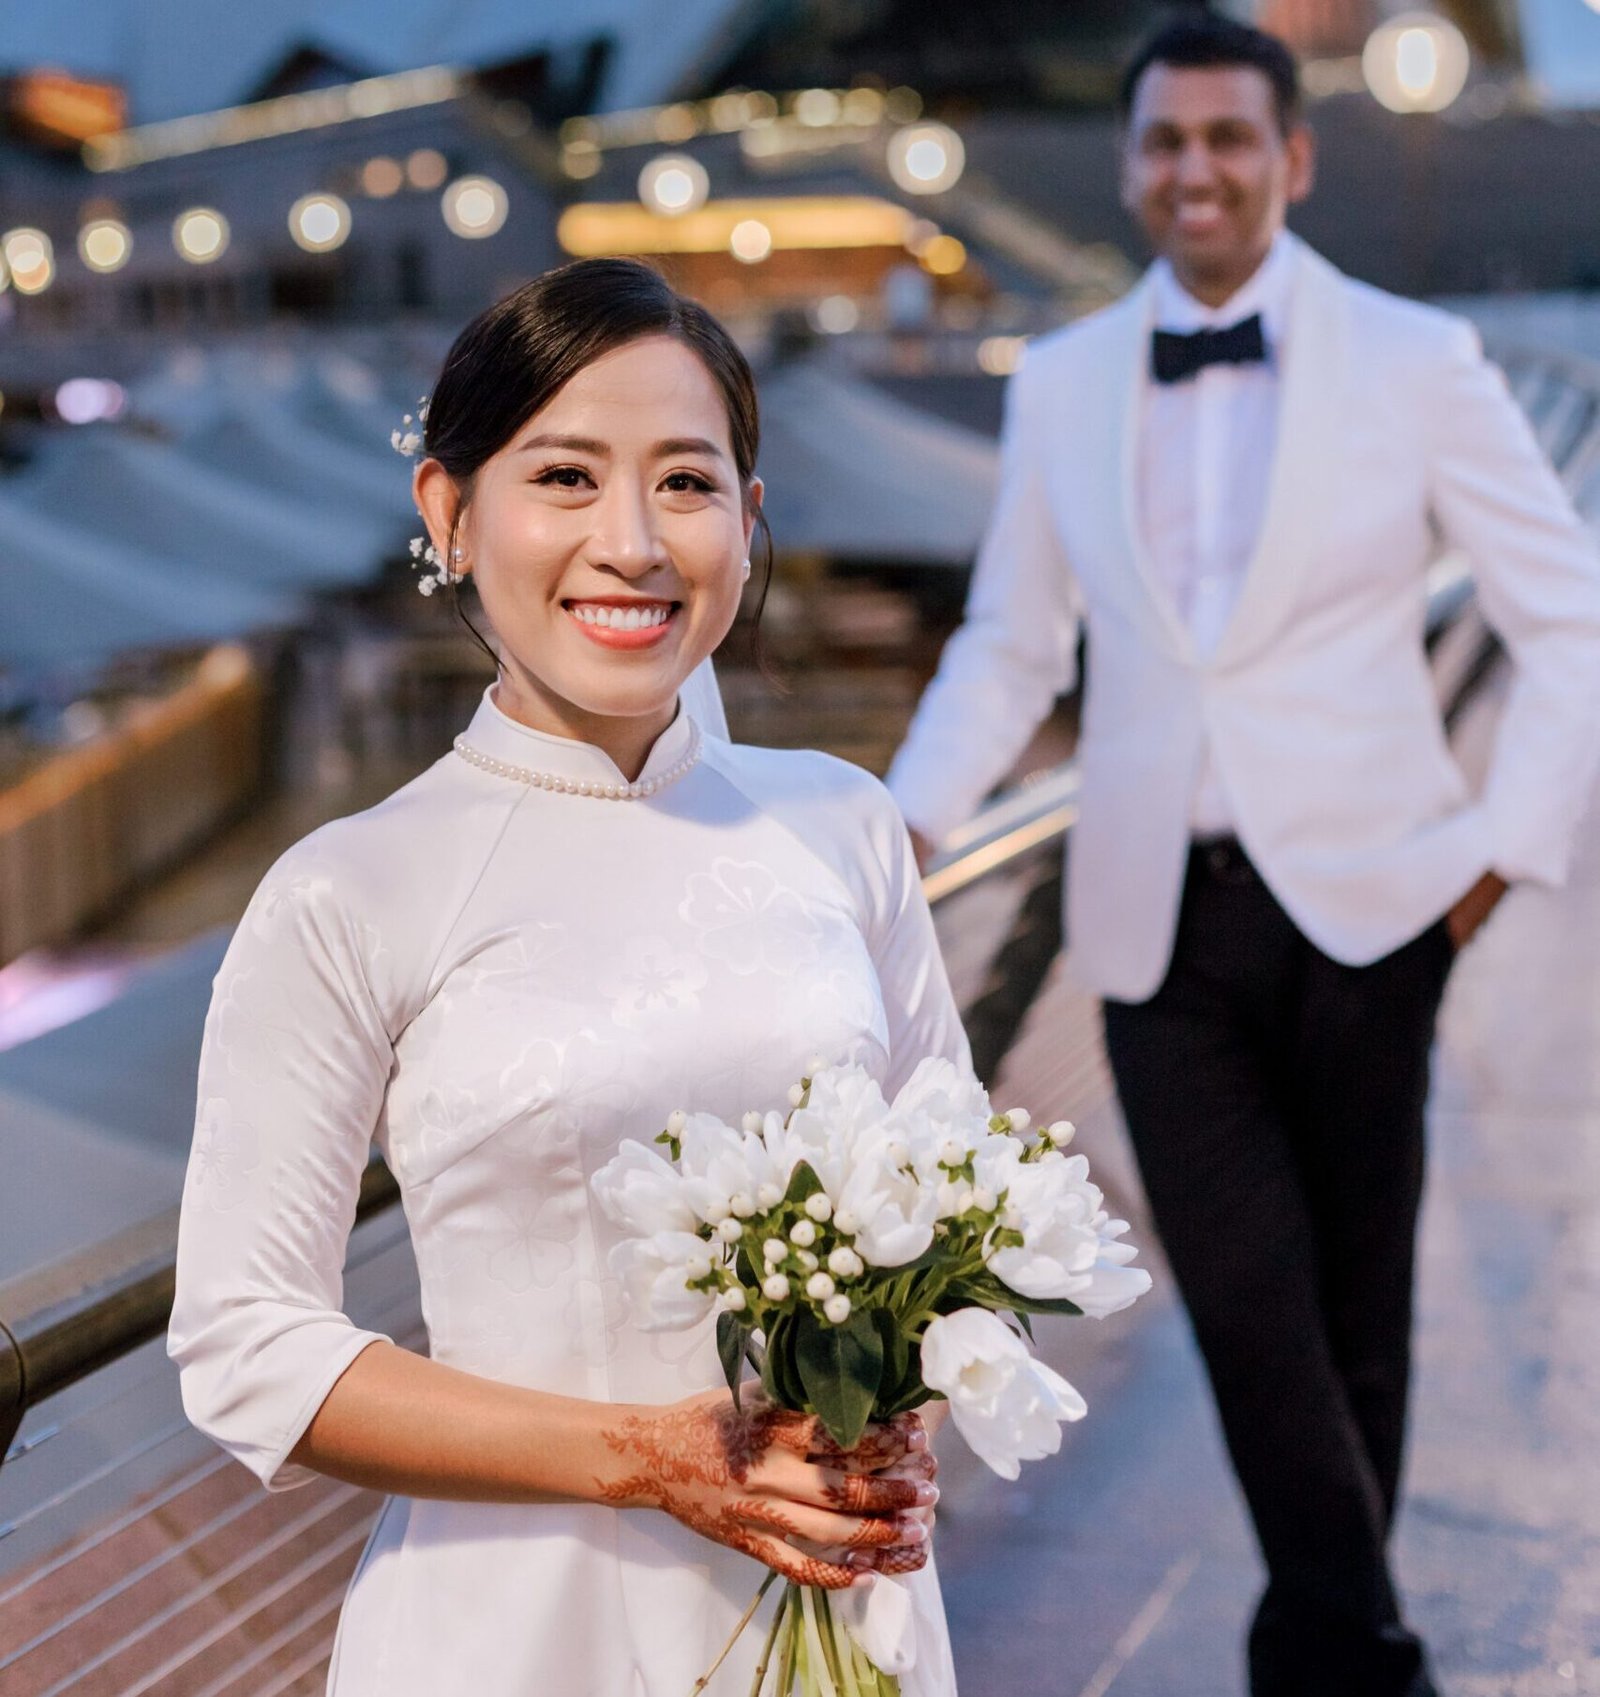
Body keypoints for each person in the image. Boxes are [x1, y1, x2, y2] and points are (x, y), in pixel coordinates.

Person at [886, 14, 1600, 1697]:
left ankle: (1319, 1640)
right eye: (1164, 142)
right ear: (1133, 166)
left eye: (1227, 138)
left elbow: (1565, 610)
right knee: (1252, 1301)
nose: (1193, 168)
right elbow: (1011, 641)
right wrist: (901, 819)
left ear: (1294, 157)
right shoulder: (1061, 382)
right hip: (1153, 924)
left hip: (1378, 902)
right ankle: (1361, 1646)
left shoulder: (1418, 361)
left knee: (1361, 1304)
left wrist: (1505, 845)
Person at [169, 259, 959, 1697]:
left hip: (835, 1612)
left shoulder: (843, 823)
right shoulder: (352, 889)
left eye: (685, 481)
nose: (634, 543)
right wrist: (646, 1461)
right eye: (567, 477)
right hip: (511, 1633)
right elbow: (245, 1340)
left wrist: (912, 1407)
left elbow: (956, 1188)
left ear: (749, 513)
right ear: (451, 514)